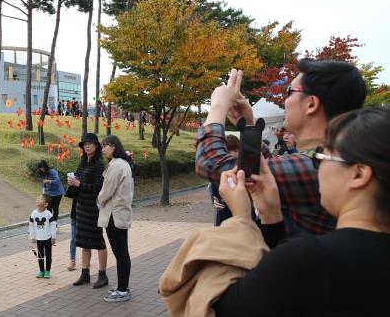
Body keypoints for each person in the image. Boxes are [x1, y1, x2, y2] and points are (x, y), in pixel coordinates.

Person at [161, 107, 390, 316]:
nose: (317, 167)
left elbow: (212, 306)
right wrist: (272, 216)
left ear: (359, 174)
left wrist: (241, 220)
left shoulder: (307, 258)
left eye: (322, 156)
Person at [195, 60, 366, 235]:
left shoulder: (319, 166)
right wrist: (248, 126)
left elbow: (211, 163)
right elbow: (265, 167)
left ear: (311, 104)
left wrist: (217, 106)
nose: (285, 100)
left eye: (289, 92)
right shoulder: (332, 156)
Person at [68, 133, 108, 289]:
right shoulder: (83, 161)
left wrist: (79, 184)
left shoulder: (99, 164)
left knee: (98, 242)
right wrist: (73, 180)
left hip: (93, 208)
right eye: (85, 144)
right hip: (81, 206)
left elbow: (99, 188)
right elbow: (79, 178)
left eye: (90, 143)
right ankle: (85, 274)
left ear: (96, 145)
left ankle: (102, 275)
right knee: (84, 241)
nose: (87, 146)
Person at [98, 135, 134, 303]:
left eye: (105, 146)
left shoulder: (116, 165)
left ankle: (122, 291)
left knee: (120, 254)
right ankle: (123, 287)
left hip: (114, 215)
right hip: (121, 214)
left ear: (114, 147)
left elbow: (107, 191)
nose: (103, 149)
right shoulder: (124, 163)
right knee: (123, 253)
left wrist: (99, 201)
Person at [208, 134, 240, 226]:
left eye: (228, 153)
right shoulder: (218, 169)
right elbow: (213, 189)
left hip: (241, 216)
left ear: (237, 151)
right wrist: (214, 199)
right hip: (223, 214)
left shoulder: (244, 169)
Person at [28, 194, 57, 279]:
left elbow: (53, 225)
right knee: (40, 255)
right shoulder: (33, 213)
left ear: (46, 204)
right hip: (39, 238)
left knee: (48, 255)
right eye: (38, 198)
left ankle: (47, 271)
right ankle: (41, 271)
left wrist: (53, 237)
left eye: (41, 199)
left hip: (48, 238)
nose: (38, 199)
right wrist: (32, 237)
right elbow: (31, 225)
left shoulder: (48, 214)